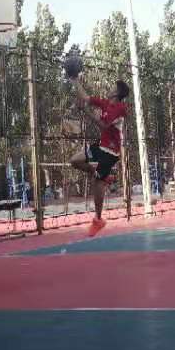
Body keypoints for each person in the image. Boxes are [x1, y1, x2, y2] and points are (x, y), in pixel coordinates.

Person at [69, 75, 129, 237]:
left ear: (116, 93)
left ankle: (98, 219)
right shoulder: (105, 103)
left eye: (113, 87)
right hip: (101, 146)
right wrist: (74, 80)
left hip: (111, 151)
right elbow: (85, 97)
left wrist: (86, 112)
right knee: (74, 161)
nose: (110, 88)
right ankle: (101, 176)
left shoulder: (119, 108)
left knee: (97, 182)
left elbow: (103, 125)